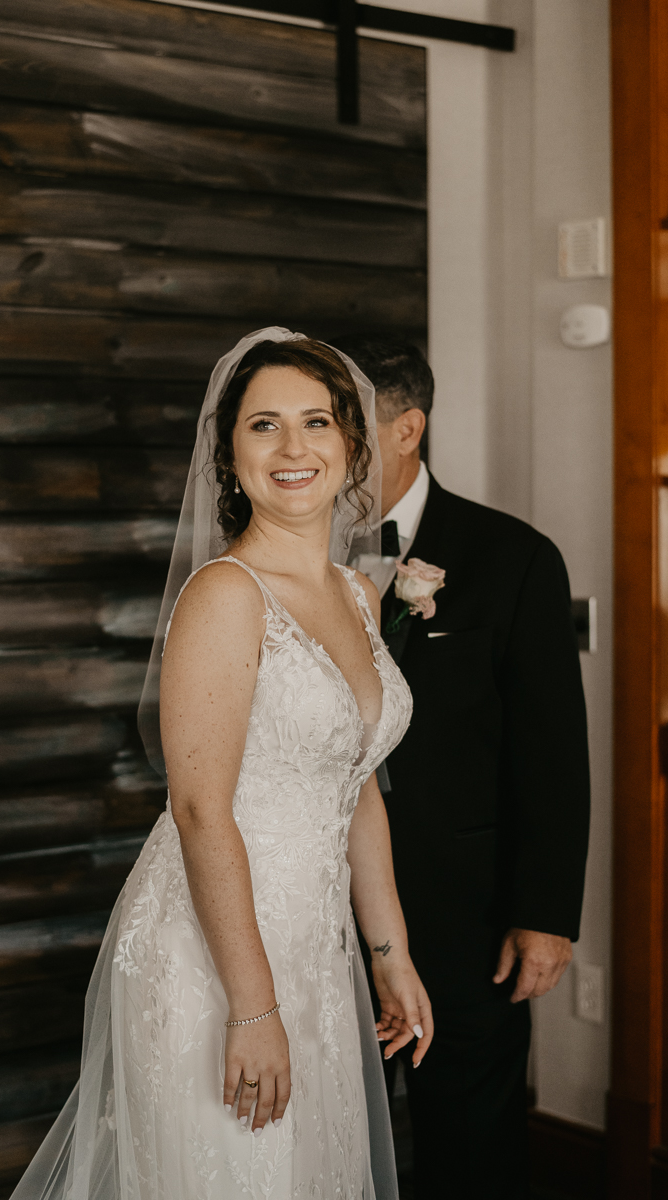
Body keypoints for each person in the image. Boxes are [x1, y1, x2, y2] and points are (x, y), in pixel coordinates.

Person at [10, 328, 432, 1200]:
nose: (293, 448)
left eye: (316, 422)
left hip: (315, 947)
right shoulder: (224, 596)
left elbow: (354, 790)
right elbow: (201, 809)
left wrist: (389, 955)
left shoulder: (357, 594)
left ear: (351, 444)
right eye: (263, 425)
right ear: (228, 452)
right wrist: (252, 1005)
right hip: (213, 950)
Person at [329, 333, 591, 1200]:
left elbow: (550, 750)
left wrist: (545, 913)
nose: (317, 445)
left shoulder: (513, 558)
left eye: (339, 422)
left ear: (409, 429)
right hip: (315, 909)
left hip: (464, 914)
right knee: (324, 1143)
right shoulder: (286, 555)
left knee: (471, 1147)